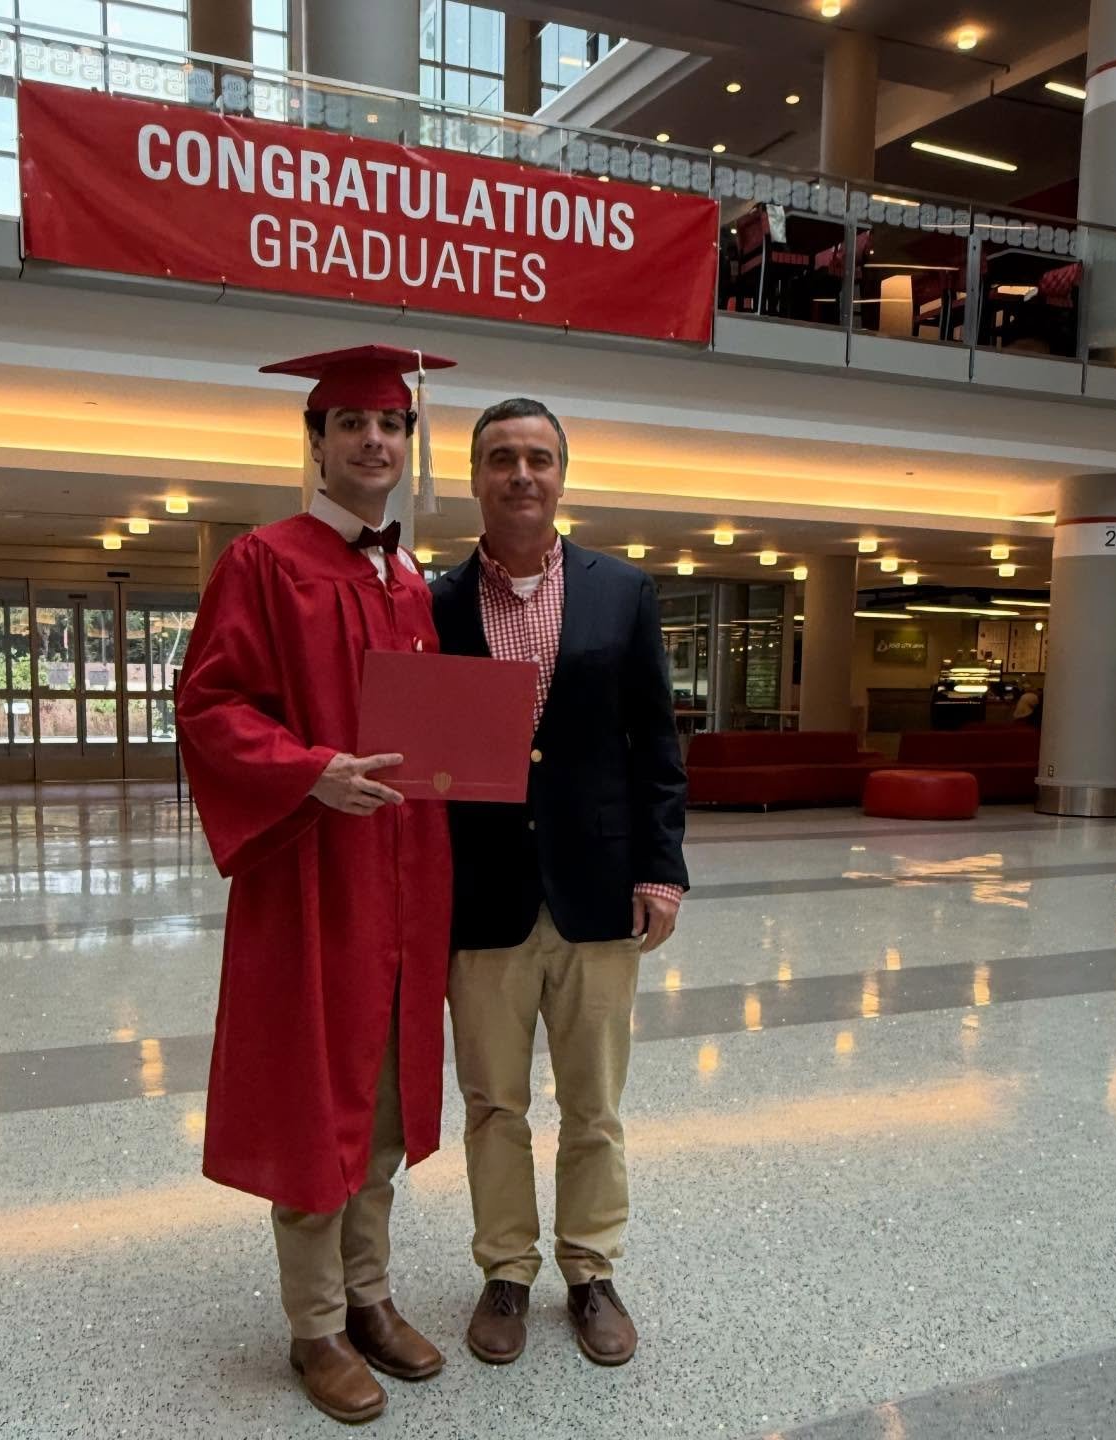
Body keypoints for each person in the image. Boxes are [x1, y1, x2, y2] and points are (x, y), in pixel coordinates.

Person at [175, 344, 455, 1425]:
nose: (373, 442)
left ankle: (373, 1295)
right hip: (311, 876)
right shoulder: (265, 561)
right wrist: (310, 773)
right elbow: (211, 708)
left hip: (402, 878)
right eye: (351, 424)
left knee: (381, 1098)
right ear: (319, 441)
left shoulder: (407, 581)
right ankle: (316, 1326)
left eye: (390, 426)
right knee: (313, 1101)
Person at [431, 397, 689, 1370]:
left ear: (562, 476)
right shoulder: (436, 603)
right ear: (477, 478)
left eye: (539, 457)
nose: (522, 474)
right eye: (502, 458)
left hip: (598, 890)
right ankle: (505, 1267)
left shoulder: (621, 593)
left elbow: (656, 744)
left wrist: (662, 869)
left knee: (595, 1104)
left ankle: (590, 1270)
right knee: (495, 1103)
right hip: (483, 897)